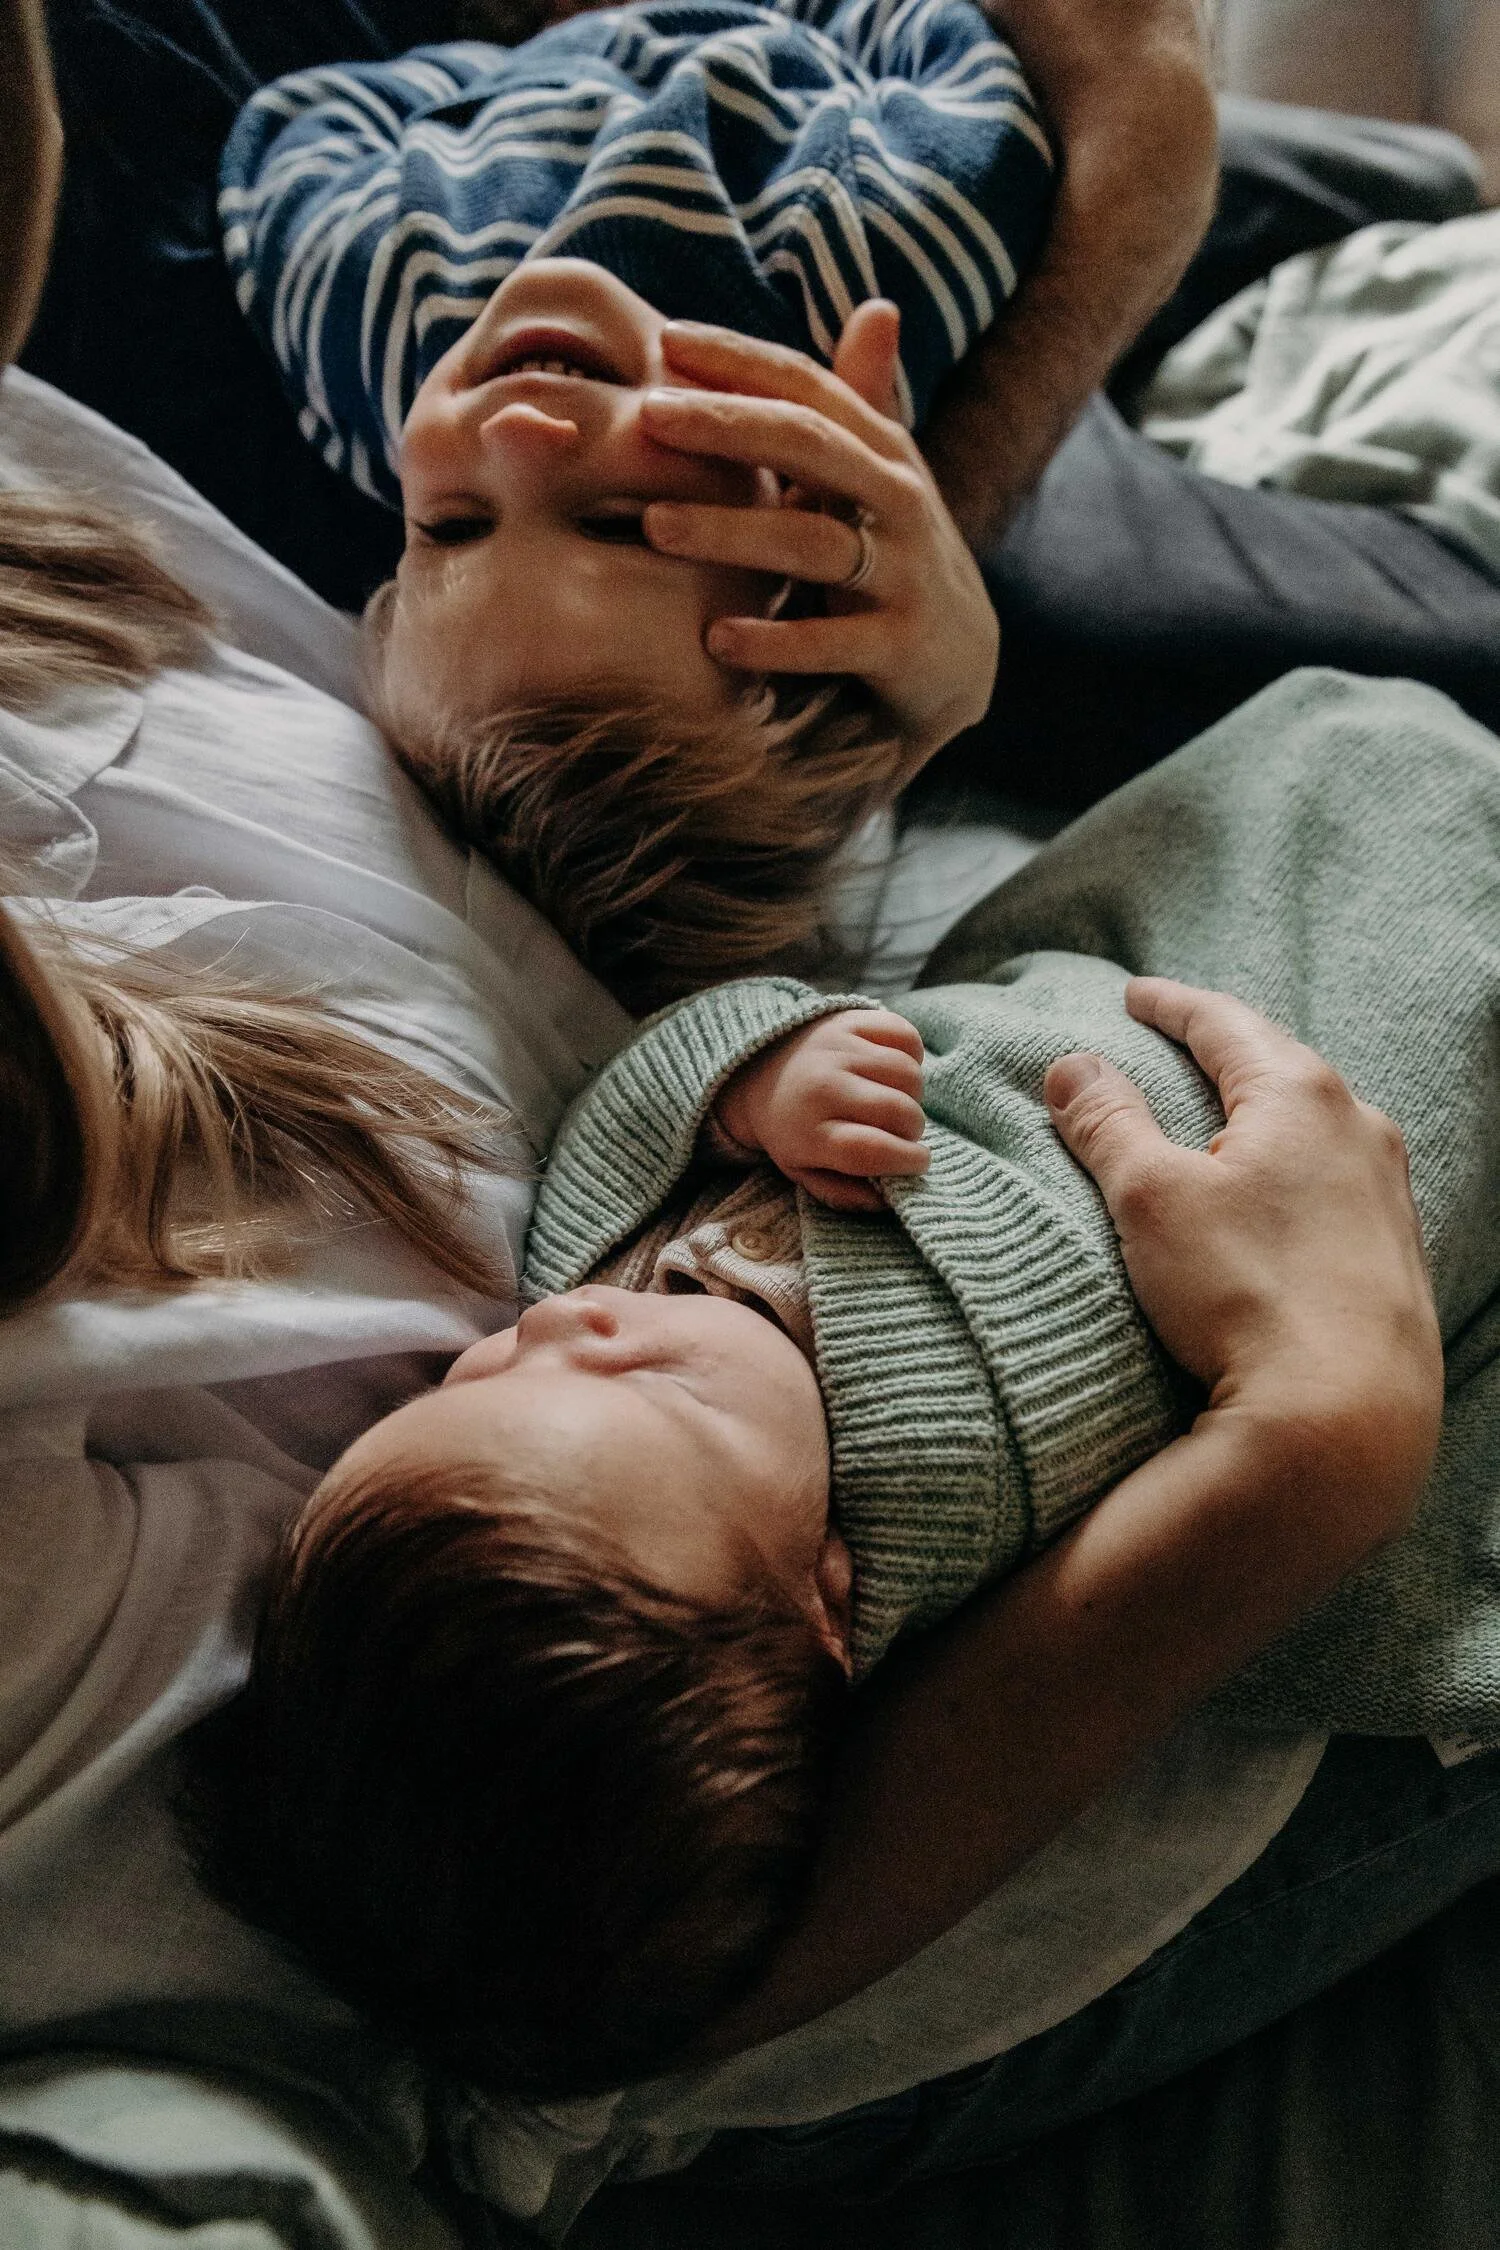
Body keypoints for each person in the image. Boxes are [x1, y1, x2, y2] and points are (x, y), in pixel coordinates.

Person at [185, 647, 1500, 2231]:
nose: (574, 1323)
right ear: (830, 1598)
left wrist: (752, 1071)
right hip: (1192, 1103)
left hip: (1053, 989)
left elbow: (621, 1118)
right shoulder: (971, 1460)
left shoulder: (595, 1346)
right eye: (644, 1388)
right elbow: (1200, 1346)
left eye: (472, 1379)